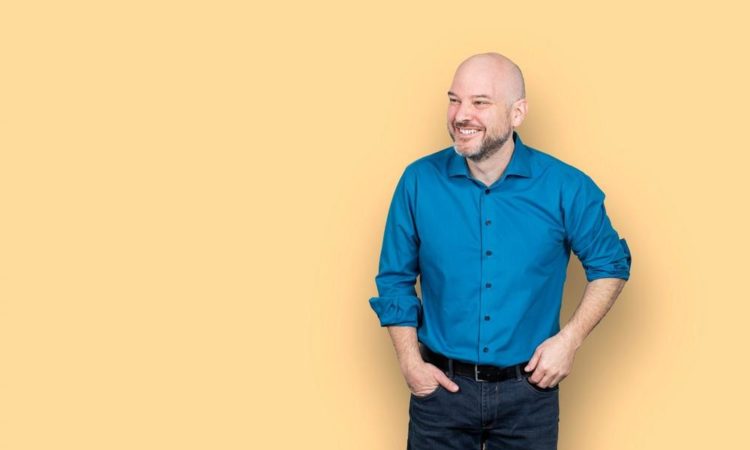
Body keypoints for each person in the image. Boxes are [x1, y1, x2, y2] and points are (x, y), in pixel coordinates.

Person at [368, 52, 632, 450]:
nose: (461, 115)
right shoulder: (418, 181)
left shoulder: (566, 186)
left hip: (529, 395)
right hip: (439, 393)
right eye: (454, 100)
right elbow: (394, 279)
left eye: (480, 102)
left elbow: (610, 264)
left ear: (517, 113)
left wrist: (570, 340)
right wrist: (409, 363)